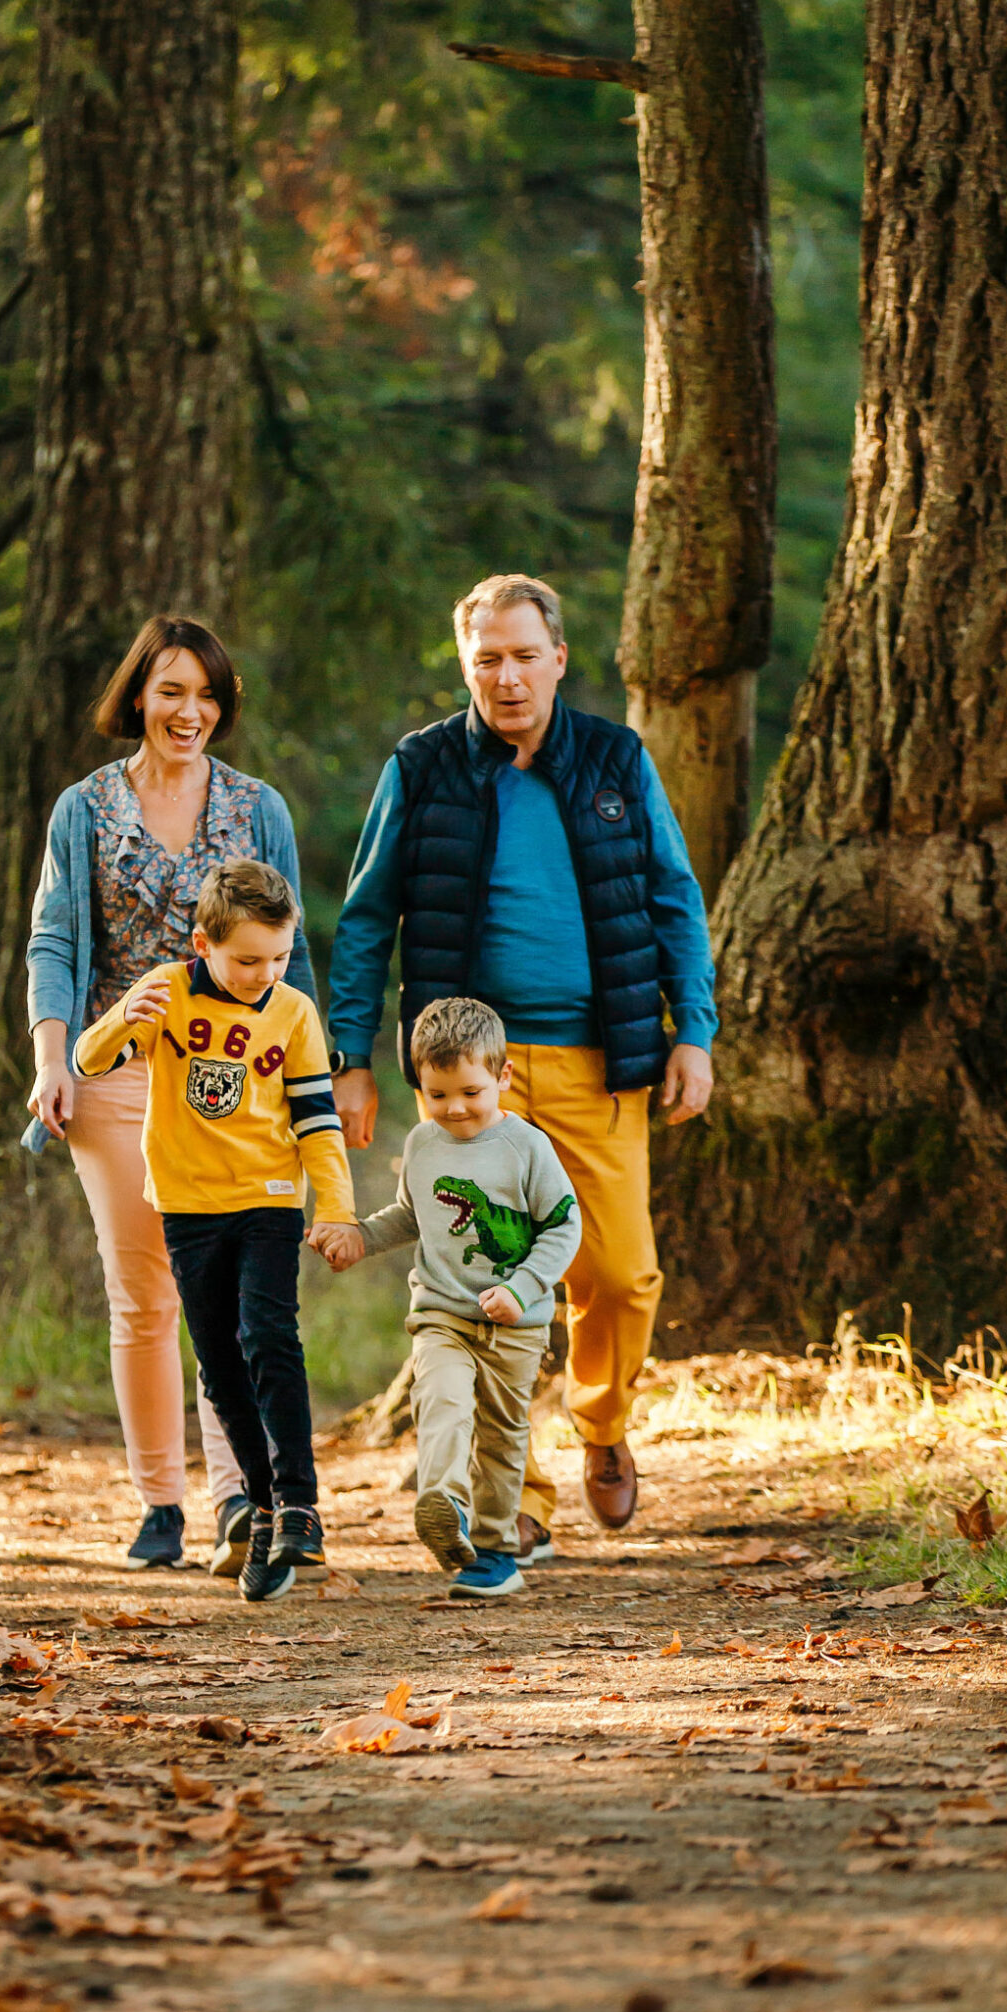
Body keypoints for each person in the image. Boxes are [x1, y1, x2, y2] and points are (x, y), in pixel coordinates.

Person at [325, 573, 716, 1544]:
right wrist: (350, 1055)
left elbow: (674, 898)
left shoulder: (615, 760)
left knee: (619, 1275)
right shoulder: (420, 769)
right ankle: (518, 1496)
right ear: (465, 665)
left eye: (521, 655)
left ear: (557, 660)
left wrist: (694, 1032)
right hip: (468, 1082)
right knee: (479, 1284)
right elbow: (367, 916)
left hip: (601, 1057)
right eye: (484, 658)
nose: (505, 676)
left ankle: (604, 1425)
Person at [25, 616, 318, 1575]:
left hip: (237, 1077)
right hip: (116, 1071)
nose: (189, 712)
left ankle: (242, 1495)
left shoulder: (256, 807)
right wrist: (52, 1060)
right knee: (144, 1292)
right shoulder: (85, 808)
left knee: (227, 1295)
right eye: (170, 692)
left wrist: (312, 1071)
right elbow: (58, 944)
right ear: (138, 698)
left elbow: (291, 952)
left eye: (205, 694)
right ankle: (160, 1502)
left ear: (222, 704)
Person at [72, 858, 354, 1604]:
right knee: (219, 1364)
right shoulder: (162, 992)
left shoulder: (292, 1012)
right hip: (188, 1207)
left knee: (268, 1335)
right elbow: (90, 1061)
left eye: (280, 957)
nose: (265, 973)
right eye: (248, 959)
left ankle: (299, 1506)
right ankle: (259, 1512)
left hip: (266, 1198)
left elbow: (317, 1123)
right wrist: (120, 1017)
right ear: (203, 943)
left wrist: (335, 1207)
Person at [311, 996, 581, 1599]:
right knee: (442, 1403)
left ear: (502, 1077)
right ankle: (443, 1504)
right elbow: (412, 1215)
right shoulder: (424, 1145)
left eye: (470, 1092)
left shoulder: (527, 1147)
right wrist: (359, 1237)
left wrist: (522, 1287)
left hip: (516, 1323)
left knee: (505, 1435)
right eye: (437, 1096)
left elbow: (564, 1226)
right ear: (421, 1088)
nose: (454, 1109)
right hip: (442, 1314)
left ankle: (493, 1550)